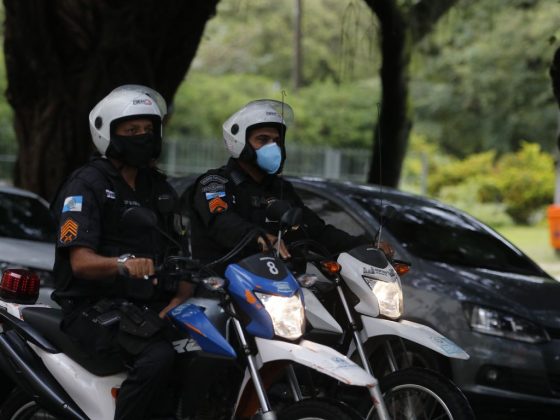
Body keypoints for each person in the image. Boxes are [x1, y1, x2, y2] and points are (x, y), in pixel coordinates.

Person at [51, 85, 192, 420]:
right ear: (108, 134)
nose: (142, 137)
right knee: (157, 357)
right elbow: (81, 262)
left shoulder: (157, 188)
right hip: (92, 307)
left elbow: (180, 248)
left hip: (147, 306)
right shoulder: (87, 185)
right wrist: (124, 264)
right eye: (131, 131)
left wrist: (183, 293)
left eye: (148, 130)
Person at [187, 99, 392, 267]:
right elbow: (221, 220)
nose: (272, 147)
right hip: (222, 290)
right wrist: (259, 237)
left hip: (281, 291)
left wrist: (363, 247)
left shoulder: (281, 189)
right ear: (239, 142)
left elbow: (315, 231)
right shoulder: (215, 183)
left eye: (277, 141)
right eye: (263, 139)